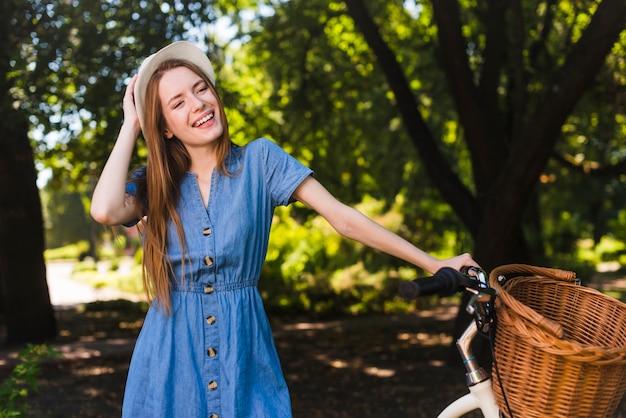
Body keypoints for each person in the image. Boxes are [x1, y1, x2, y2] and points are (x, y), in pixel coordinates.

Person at [90, 41, 479, 418]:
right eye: (178, 103)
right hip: (169, 358)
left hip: (243, 354)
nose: (198, 104)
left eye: (201, 89)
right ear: (165, 128)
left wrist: (433, 263)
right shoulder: (154, 185)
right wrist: (132, 123)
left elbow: (342, 218)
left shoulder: (261, 161)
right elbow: (105, 209)